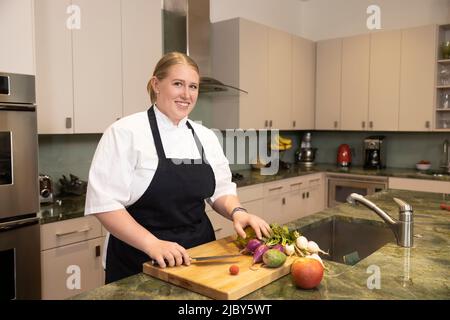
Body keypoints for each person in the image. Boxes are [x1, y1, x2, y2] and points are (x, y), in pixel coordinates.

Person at [85, 52, 271, 284]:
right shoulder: (125, 132)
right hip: (139, 259)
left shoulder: (205, 137)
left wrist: (238, 212)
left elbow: (221, 190)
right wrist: (152, 244)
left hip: (198, 255)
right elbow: (105, 204)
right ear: (156, 85)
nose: (186, 94)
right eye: (177, 84)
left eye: (193, 86)